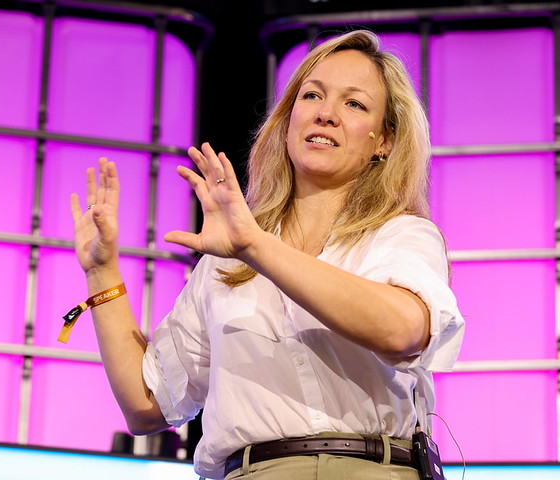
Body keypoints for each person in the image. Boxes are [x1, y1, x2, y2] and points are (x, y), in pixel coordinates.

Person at [70, 29, 465, 480]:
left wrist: (257, 246)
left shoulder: (400, 235)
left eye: (354, 104)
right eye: (312, 95)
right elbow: (147, 406)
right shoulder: (228, 260)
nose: (326, 114)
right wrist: (101, 271)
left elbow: (402, 331)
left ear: (385, 141)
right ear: (289, 117)